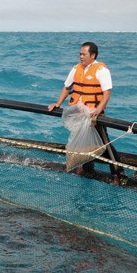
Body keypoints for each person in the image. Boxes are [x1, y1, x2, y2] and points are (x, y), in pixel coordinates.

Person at [48, 41, 126, 185]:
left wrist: (98, 110)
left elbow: (107, 93)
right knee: (83, 141)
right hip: (79, 113)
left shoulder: (101, 70)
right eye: (80, 54)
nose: (81, 57)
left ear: (93, 55)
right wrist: (57, 103)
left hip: (94, 114)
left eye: (84, 54)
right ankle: (87, 168)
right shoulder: (76, 69)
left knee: (104, 143)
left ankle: (117, 172)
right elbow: (66, 87)